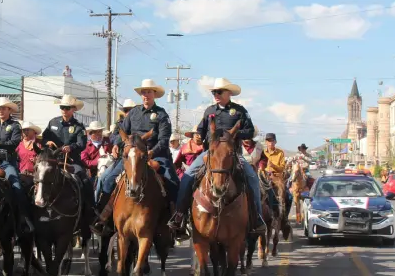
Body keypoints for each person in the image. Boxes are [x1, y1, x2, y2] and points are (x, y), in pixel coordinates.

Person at [170, 78, 266, 236]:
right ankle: (179, 215)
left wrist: (230, 135)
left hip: (232, 154)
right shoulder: (209, 111)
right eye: (214, 92)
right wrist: (200, 136)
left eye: (219, 92)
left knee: (253, 179)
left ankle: (257, 218)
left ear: (228, 93)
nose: (216, 94)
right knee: (187, 177)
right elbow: (201, 129)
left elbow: (249, 131)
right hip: (210, 154)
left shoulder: (240, 111)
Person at [93, 79, 180, 233]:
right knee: (107, 179)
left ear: (154, 94)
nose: (146, 95)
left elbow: (164, 140)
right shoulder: (133, 112)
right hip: (132, 155)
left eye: (149, 92)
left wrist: (151, 152)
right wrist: (116, 144)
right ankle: (102, 218)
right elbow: (120, 132)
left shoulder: (162, 114)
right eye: (143, 92)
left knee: (172, 181)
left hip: (155, 154)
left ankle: (175, 218)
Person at [0, 97, 33, 235]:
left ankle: (24, 219)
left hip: (7, 164)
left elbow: (14, 143)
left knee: (17, 187)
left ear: (9, 110)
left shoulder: (14, 126)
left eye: (3, 108)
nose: (0, 110)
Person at [42, 95, 95, 212]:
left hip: (72, 161)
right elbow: (43, 139)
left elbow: (82, 144)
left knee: (85, 181)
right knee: (39, 178)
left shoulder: (79, 126)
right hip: (54, 160)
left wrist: (71, 147)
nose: (64, 110)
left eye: (67, 108)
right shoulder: (52, 122)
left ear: (73, 109)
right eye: (62, 107)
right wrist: (47, 142)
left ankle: (90, 211)